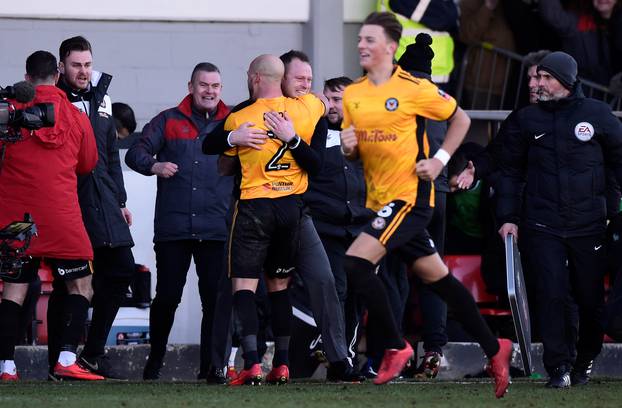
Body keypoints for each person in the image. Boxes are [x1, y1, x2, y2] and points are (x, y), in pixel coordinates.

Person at [339, 12, 511, 397]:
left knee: (355, 262)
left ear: (390, 47)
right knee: (440, 281)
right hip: (382, 201)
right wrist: (351, 150)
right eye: (360, 39)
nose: (362, 45)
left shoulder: (414, 87)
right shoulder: (355, 94)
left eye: (370, 39)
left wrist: (440, 161)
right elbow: (359, 152)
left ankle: (397, 346)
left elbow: (462, 120)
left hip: (412, 198)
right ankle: (494, 347)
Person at [203, 52, 362, 383]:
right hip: (254, 206)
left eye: (309, 77)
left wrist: (292, 138)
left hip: (295, 210)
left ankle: (338, 358)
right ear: (282, 80)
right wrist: (235, 140)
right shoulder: (248, 111)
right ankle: (220, 363)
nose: (306, 84)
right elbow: (220, 156)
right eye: (299, 78)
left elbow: (315, 164)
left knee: (321, 280)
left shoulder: (306, 112)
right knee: (233, 286)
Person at [497, 51, 622, 388]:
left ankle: (585, 359)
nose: (537, 84)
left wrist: (614, 206)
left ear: (565, 81)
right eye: (535, 79)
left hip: (590, 223)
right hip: (542, 224)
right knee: (551, 295)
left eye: (544, 78)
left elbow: (619, 160)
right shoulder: (526, 120)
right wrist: (508, 217)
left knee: (589, 299)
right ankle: (558, 368)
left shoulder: (596, 114)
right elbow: (508, 171)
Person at [217, 54, 326, 386]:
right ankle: (281, 364)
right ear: (283, 79)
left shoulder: (240, 116)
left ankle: (251, 363)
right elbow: (323, 105)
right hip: (291, 209)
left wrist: (236, 143)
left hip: (254, 207)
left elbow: (222, 166)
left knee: (244, 287)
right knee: (280, 287)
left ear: (254, 79)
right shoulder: (307, 109)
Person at [125, 62, 233, 381]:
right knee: (167, 298)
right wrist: (154, 166)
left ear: (221, 89)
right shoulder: (168, 120)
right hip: (174, 229)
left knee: (213, 301)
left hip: (216, 228)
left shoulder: (233, 122)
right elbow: (135, 153)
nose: (209, 91)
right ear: (191, 86)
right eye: (203, 85)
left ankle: (211, 368)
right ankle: (154, 362)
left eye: (215, 86)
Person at [0, 50, 102, 381]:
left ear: (27, 78)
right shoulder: (75, 116)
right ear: (57, 76)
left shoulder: (9, 112)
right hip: (60, 214)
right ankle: (67, 359)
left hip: (16, 215)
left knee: (13, 291)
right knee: (80, 285)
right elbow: (88, 164)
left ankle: (6, 368)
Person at [56, 36, 136, 379]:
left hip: (104, 200)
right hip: (68, 200)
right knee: (69, 284)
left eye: (87, 64)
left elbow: (110, 155)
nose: (83, 71)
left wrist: (120, 201)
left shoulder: (103, 98)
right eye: (76, 65)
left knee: (121, 271)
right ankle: (61, 359)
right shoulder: (55, 100)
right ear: (62, 67)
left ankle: (89, 353)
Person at [396, 33, 449, 378]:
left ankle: (394, 347)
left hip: (406, 198)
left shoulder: (400, 100)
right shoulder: (443, 102)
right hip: (438, 197)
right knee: (433, 274)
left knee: (393, 274)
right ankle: (434, 348)